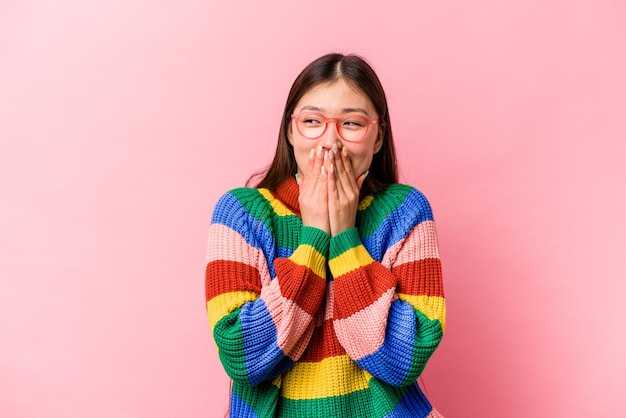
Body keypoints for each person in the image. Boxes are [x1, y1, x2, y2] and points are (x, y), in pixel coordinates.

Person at [205, 53, 445, 417]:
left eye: (351, 123)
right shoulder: (241, 213)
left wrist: (345, 234)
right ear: (290, 131)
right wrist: (314, 235)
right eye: (313, 121)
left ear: (378, 137)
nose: (330, 142)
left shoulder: (405, 211)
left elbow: (402, 361)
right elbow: (245, 358)